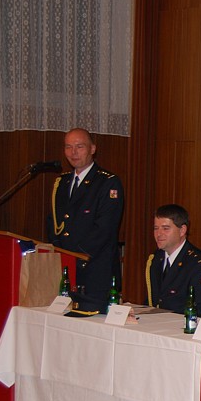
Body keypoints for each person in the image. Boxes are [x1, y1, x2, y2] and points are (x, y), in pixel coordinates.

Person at [48, 127, 124, 312]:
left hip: (94, 270)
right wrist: (60, 256)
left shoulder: (107, 182)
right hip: (66, 269)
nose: (73, 152)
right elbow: (54, 223)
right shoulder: (62, 182)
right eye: (68, 147)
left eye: (79, 146)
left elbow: (104, 229)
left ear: (92, 149)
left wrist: (75, 256)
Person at [145, 204, 201, 313]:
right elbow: (153, 301)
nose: (158, 234)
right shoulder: (156, 259)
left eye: (165, 228)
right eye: (156, 228)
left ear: (182, 230)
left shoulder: (199, 265)